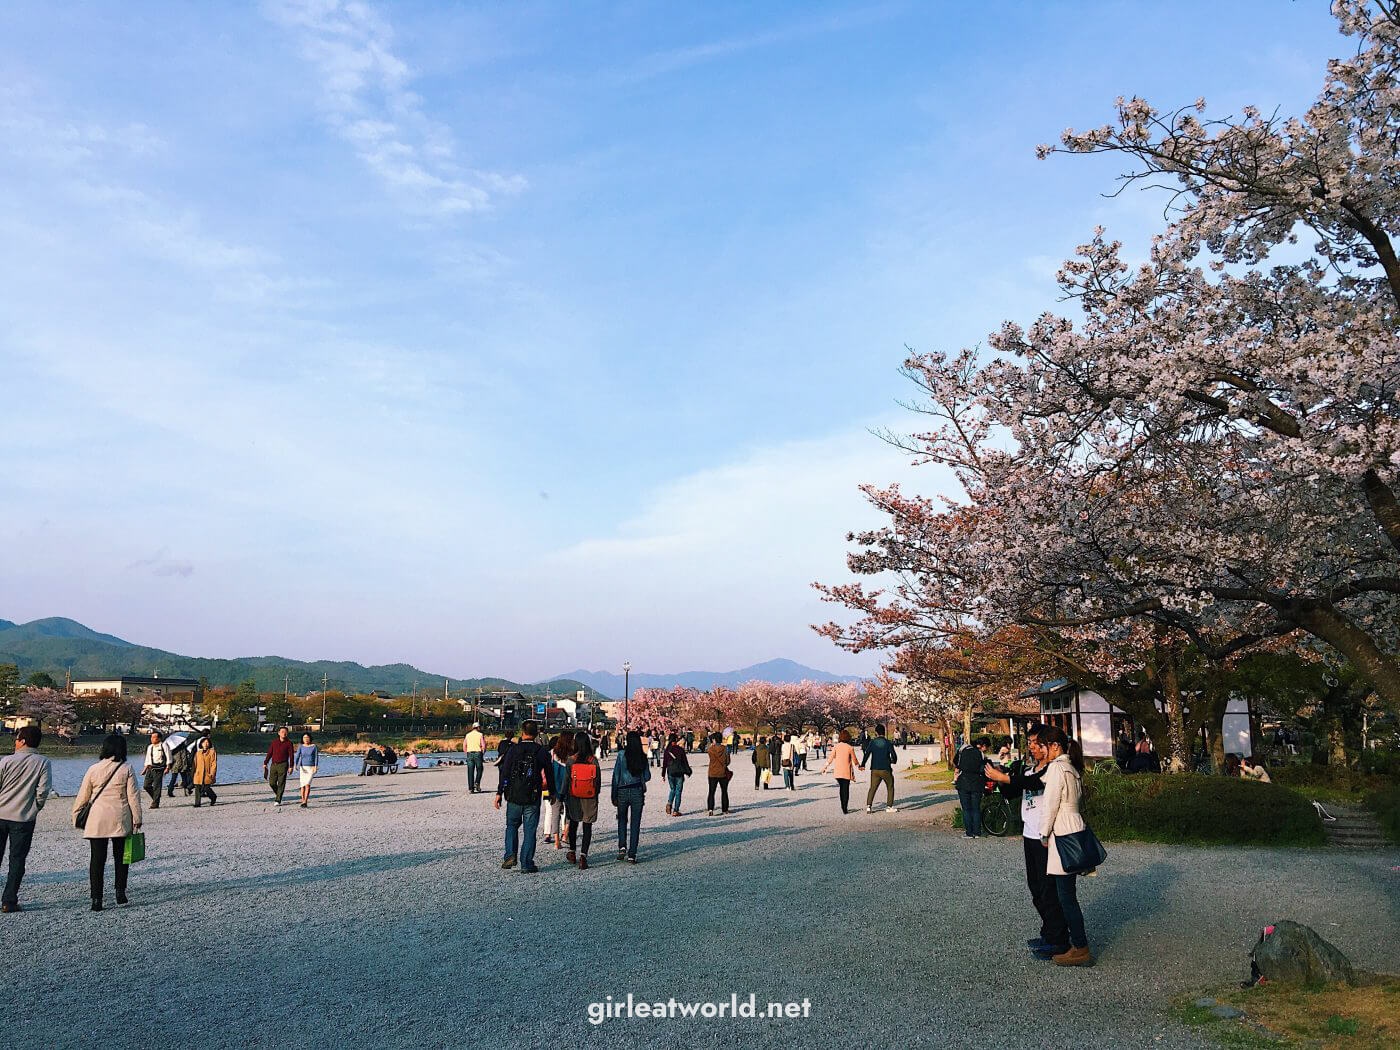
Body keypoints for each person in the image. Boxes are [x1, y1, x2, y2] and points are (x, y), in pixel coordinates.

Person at [984, 724, 1069, 959]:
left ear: (1047, 744)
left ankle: (1059, 940)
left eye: (1035, 742)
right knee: (1036, 888)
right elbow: (1015, 791)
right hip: (1030, 834)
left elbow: (1033, 784)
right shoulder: (1032, 769)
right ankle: (1048, 932)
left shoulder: (1053, 769)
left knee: (1048, 889)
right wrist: (1001, 778)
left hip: (1046, 837)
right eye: (1030, 742)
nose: (1031, 747)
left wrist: (1006, 777)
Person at [1038, 725, 1093, 966]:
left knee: (1066, 896)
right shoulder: (1071, 767)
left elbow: (1050, 805)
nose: (1041, 751)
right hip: (1075, 826)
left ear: (1054, 746)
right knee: (1067, 894)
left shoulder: (1058, 769)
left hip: (1062, 830)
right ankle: (1077, 944)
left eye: (1043, 746)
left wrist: (1043, 833)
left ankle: (1080, 946)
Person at [72, 734, 142, 911]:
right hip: (120, 816)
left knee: (97, 860)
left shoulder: (93, 769)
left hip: (97, 818)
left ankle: (97, 899)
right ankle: (120, 892)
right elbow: (133, 796)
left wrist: (76, 816)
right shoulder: (126, 768)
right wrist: (137, 818)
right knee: (121, 857)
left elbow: (83, 795)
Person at [0, 725, 52, 913]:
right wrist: (35, 807)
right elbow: (43, 790)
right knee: (17, 859)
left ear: (23, 741)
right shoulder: (42, 762)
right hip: (23, 817)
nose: (15, 742)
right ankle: (9, 901)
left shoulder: (6, 761)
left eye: (17, 738)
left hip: (0, 813)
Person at [495, 721, 552, 873]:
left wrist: (499, 793)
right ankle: (526, 863)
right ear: (536, 733)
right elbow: (549, 775)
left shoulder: (513, 750)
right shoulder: (541, 752)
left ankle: (510, 855)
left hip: (513, 795)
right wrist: (551, 793)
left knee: (511, 826)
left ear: (522, 733)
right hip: (532, 795)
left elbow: (505, 773)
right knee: (529, 830)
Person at [612, 730, 651, 862]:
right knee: (635, 823)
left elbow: (616, 776)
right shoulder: (642, 756)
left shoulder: (621, 755)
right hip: (637, 792)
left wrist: (614, 794)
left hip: (622, 791)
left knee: (622, 819)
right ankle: (632, 853)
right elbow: (647, 776)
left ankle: (622, 846)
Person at [564, 734, 602, 868]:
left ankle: (572, 851)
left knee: (573, 823)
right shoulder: (593, 760)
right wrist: (595, 794)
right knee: (587, 826)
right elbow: (598, 781)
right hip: (589, 796)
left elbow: (567, 781)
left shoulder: (571, 760)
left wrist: (564, 795)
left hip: (574, 796)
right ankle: (583, 855)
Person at [859, 723, 900, 813]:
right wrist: (893, 761)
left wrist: (862, 765)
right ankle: (889, 807)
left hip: (875, 769)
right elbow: (894, 755)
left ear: (876, 732)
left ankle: (869, 806)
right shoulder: (888, 742)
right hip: (885, 768)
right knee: (890, 786)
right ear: (884, 732)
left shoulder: (872, 742)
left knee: (873, 787)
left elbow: (867, 754)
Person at [955, 736, 991, 837]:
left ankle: (969, 833)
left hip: (963, 782)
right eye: (986, 747)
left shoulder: (963, 749)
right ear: (983, 746)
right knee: (976, 808)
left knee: (966, 809)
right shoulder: (981, 754)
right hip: (977, 783)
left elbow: (956, 762)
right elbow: (984, 768)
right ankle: (977, 832)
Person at [545, 731, 575, 848]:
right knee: (570, 812)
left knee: (555, 813)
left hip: (554, 788)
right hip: (569, 787)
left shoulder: (552, 753)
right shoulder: (572, 755)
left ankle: (556, 841)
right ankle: (565, 834)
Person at [820, 729, 859, 814]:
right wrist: (858, 766)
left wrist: (825, 767)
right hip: (846, 771)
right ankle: (845, 807)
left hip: (838, 772)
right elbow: (854, 759)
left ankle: (842, 805)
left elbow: (830, 758)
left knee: (842, 788)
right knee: (846, 789)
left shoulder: (836, 746)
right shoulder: (850, 747)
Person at [264, 727, 295, 805]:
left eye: (285, 732)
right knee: (272, 783)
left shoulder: (289, 743)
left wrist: (291, 766)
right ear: (278, 733)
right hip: (274, 764)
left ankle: (278, 800)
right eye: (282, 732)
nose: (283, 733)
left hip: (283, 764)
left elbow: (291, 756)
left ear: (287, 733)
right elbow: (269, 753)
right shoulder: (274, 742)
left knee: (281, 782)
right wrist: (265, 763)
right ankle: (279, 794)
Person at [141, 731, 171, 809]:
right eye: (151, 737)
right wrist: (144, 769)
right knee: (146, 785)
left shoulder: (164, 745)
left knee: (157, 786)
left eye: (154, 737)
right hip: (150, 768)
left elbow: (168, 756)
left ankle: (155, 803)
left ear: (159, 738)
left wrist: (167, 767)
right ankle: (155, 798)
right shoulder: (150, 747)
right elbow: (147, 758)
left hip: (159, 768)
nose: (152, 739)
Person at [662, 733, 690, 815]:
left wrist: (663, 774)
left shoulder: (667, 750)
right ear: (676, 740)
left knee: (672, 789)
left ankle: (669, 803)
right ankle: (676, 810)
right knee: (678, 791)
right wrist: (688, 771)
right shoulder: (680, 749)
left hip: (670, 772)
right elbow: (685, 762)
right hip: (679, 772)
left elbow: (664, 763)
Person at [705, 731, 731, 816]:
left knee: (711, 792)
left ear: (714, 740)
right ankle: (725, 809)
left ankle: (710, 809)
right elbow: (728, 762)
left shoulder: (710, 749)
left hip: (712, 772)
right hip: (722, 772)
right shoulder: (725, 749)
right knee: (724, 791)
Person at [294, 733, 319, 808]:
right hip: (303, 768)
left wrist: (315, 766)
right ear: (302, 739)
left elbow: (316, 757)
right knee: (302, 785)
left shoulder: (314, 746)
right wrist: (295, 765)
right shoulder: (301, 747)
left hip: (311, 768)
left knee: (307, 784)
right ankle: (303, 800)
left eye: (307, 737)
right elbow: (297, 756)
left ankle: (305, 801)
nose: (306, 739)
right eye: (304, 737)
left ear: (310, 738)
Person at [193, 736, 218, 808]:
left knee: (206, 788)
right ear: (201, 744)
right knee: (197, 788)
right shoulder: (198, 753)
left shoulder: (212, 752)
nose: (206, 744)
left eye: (207, 742)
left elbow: (214, 763)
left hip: (207, 773)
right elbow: (195, 763)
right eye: (204, 742)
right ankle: (197, 803)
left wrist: (212, 773)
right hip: (198, 773)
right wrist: (193, 773)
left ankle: (213, 797)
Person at [462, 723, 486, 793]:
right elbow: (483, 745)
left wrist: (467, 752)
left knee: (470, 771)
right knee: (480, 769)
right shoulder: (480, 735)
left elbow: (464, 746)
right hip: (478, 753)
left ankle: (471, 788)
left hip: (469, 753)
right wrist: (482, 753)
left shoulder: (468, 735)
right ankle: (477, 782)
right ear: (478, 727)